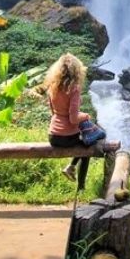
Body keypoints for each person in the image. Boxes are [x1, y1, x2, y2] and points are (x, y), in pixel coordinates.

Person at [45, 53, 91, 188]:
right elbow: (73, 118)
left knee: (83, 143)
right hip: (68, 137)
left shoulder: (52, 86)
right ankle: (81, 186)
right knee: (87, 148)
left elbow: (54, 112)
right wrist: (86, 116)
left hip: (53, 136)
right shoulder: (74, 89)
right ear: (77, 70)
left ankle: (71, 167)